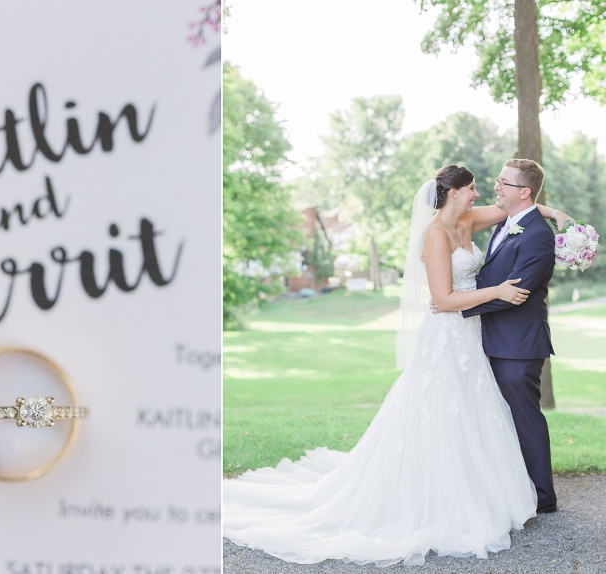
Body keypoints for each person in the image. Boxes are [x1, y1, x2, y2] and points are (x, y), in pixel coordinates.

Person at [223, 165, 571, 567]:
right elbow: (441, 299)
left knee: (475, 415)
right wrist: (496, 290)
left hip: (472, 338)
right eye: (473, 188)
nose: (480, 193)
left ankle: (481, 490)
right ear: (453, 192)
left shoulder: (469, 219)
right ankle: (434, 498)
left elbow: (520, 208)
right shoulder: (436, 234)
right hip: (446, 333)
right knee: (437, 413)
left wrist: (555, 214)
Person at [460, 158, 565, 513]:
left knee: (524, 417)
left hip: (518, 346)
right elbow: (495, 283)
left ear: (523, 191)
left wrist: (458, 306)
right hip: (495, 339)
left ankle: (542, 496)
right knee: (503, 417)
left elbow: (514, 292)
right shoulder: (510, 220)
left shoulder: (536, 235)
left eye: (503, 182)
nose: (496, 187)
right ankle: (515, 487)